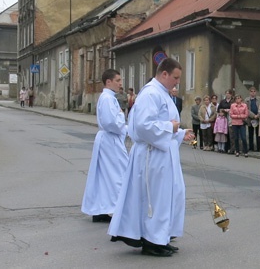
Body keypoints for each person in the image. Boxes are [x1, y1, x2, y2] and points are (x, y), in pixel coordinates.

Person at [108, 58, 195, 257]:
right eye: (175, 77)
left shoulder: (162, 93)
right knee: (155, 198)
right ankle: (151, 240)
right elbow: (143, 126)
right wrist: (170, 127)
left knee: (170, 195)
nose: (177, 82)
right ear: (164, 74)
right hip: (152, 155)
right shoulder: (150, 93)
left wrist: (180, 133)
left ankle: (162, 237)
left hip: (163, 153)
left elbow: (164, 122)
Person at [81, 69, 128, 223]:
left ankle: (102, 209)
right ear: (109, 82)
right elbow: (111, 122)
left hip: (108, 139)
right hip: (110, 140)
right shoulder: (107, 98)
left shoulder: (109, 97)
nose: (120, 83)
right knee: (117, 174)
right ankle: (115, 208)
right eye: (118, 80)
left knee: (104, 175)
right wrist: (121, 116)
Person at [244, 87, 260, 152]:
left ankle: (258, 147)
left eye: (254, 91)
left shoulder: (259, 99)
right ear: (249, 92)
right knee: (250, 133)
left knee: (258, 134)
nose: (253, 93)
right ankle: (251, 147)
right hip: (250, 119)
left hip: (258, 118)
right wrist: (253, 116)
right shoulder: (247, 100)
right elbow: (246, 109)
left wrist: (258, 115)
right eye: (251, 91)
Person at [218, 89, 234, 153]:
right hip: (223, 118)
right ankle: (225, 148)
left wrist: (229, 110)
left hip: (231, 118)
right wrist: (224, 110)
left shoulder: (232, 101)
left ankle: (231, 148)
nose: (227, 94)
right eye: (226, 93)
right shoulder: (222, 101)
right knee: (225, 134)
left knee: (231, 134)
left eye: (229, 93)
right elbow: (219, 109)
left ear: (231, 94)